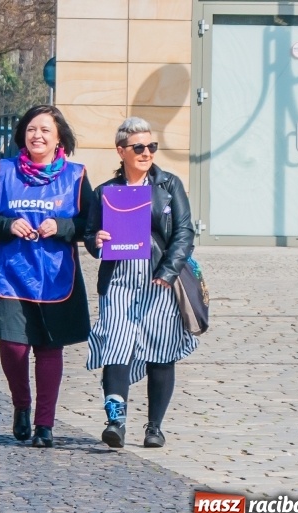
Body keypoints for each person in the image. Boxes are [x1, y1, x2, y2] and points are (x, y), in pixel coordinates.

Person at [0, 105, 92, 448]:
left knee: (48, 349)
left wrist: (63, 226)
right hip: (12, 273)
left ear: (59, 139)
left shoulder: (76, 176)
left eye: (45, 130)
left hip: (55, 276)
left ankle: (44, 424)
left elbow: (90, 224)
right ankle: (22, 405)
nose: (37, 135)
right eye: (31, 129)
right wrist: (8, 224)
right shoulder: (4, 171)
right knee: (13, 347)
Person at [84, 117, 198, 449]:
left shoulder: (169, 185)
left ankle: (154, 427)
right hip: (119, 281)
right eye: (139, 147)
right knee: (115, 346)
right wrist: (97, 241)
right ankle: (115, 422)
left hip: (159, 279)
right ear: (121, 151)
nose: (147, 152)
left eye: (151, 146)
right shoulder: (105, 192)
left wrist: (168, 271)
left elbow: (184, 233)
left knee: (160, 351)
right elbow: (90, 236)